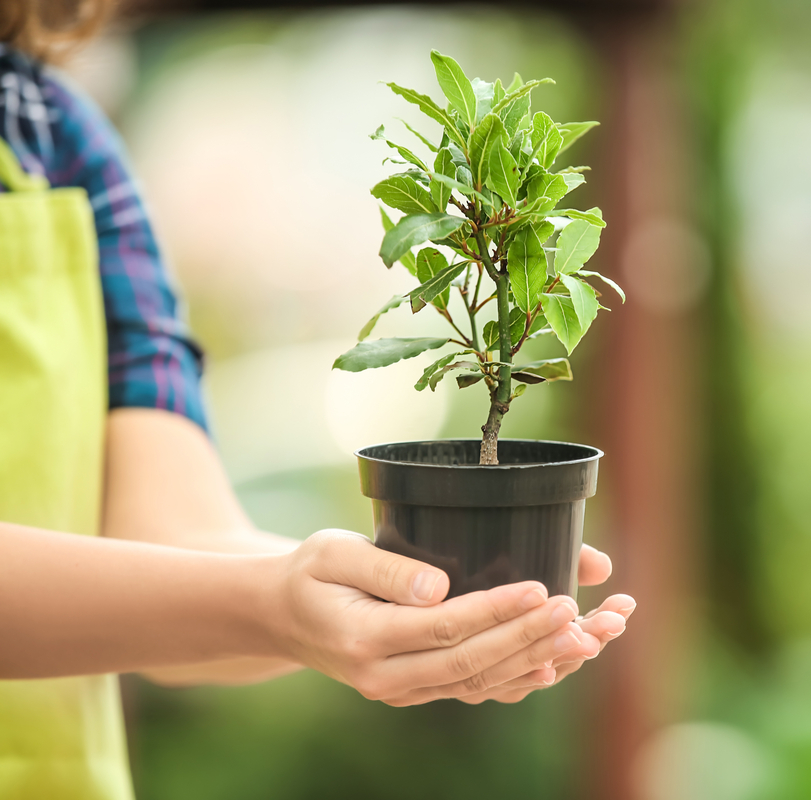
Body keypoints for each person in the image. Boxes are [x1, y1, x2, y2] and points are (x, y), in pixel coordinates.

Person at [0, 2, 635, 798]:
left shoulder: (53, 133)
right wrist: (277, 605)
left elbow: (172, 546)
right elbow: (236, 597)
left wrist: (370, 595)